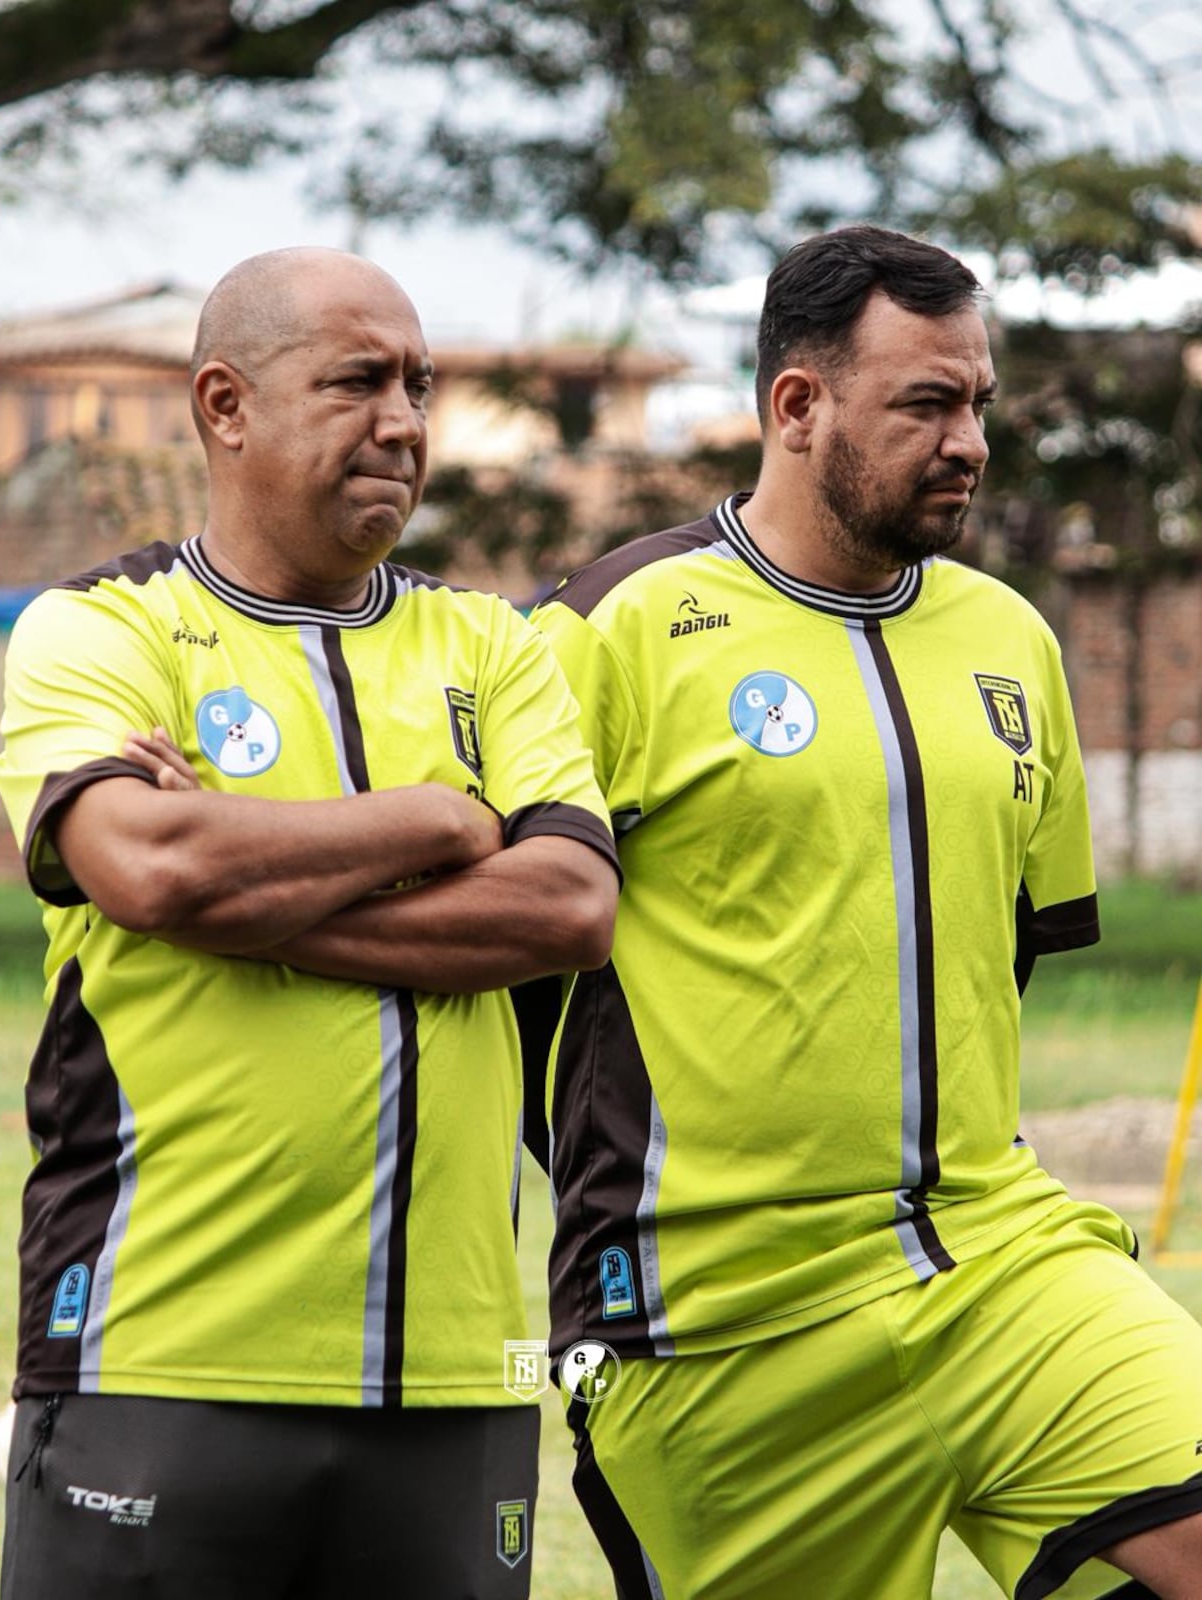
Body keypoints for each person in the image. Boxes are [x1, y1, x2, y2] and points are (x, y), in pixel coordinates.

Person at [530, 226, 1202, 1599]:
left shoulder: (1013, 640)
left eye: (980, 405)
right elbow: (498, 947)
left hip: (997, 1258)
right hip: (718, 1320)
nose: (969, 442)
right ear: (797, 406)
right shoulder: (614, 627)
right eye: (927, 404)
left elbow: (993, 961)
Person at [0, 245, 620, 1600]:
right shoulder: (100, 628)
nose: (404, 420)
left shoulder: (492, 648)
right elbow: (147, 868)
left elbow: (570, 904)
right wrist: (446, 822)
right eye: (357, 382)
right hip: (156, 1354)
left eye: (419, 384)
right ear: (225, 405)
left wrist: (247, 894)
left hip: (456, 1380)